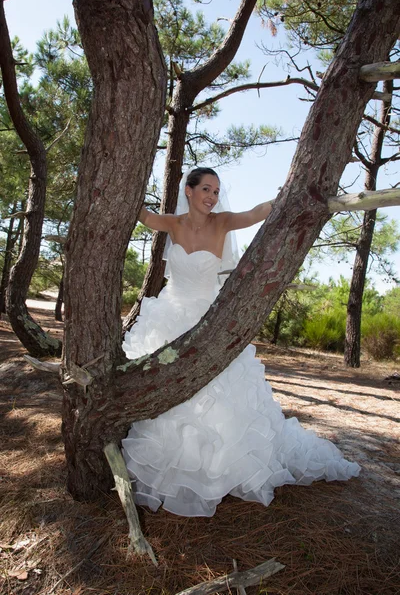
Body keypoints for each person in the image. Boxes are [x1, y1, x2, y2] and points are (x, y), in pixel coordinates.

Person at [122, 167, 360, 517]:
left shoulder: (223, 222)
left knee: (216, 391)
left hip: (209, 319)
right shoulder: (171, 223)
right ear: (188, 191)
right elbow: (141, 214)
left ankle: (221, 468)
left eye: (216, 191)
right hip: (168, 315)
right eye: (206, 189)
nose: (212, 197)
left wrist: (290, 193)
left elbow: (255, 214)